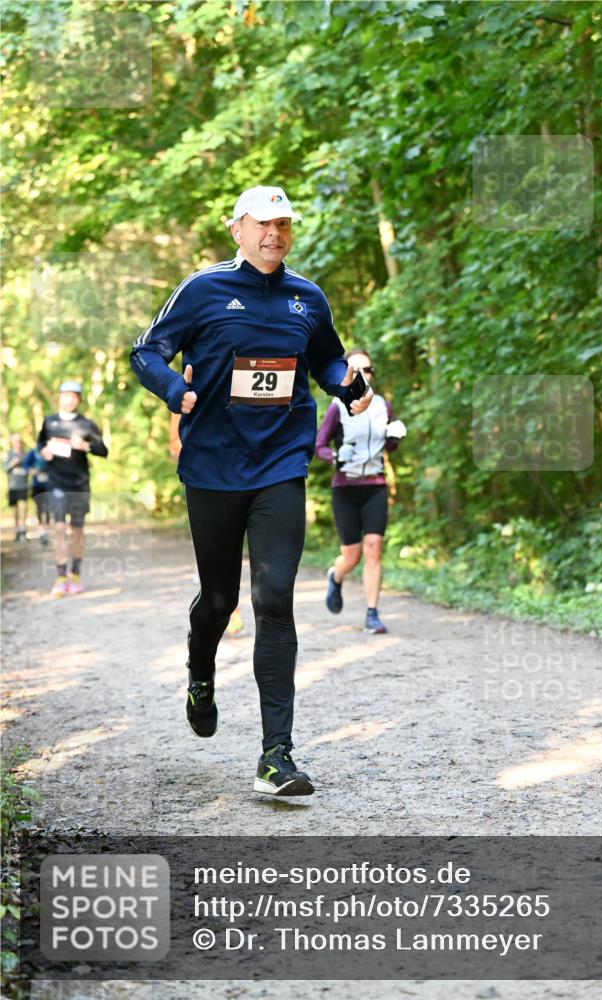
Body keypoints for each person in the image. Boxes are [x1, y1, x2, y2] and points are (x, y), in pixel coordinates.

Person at [130, 184, 372, 796]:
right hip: (212, 467)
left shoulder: (306, 298)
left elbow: (329, 361)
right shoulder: (202, 290)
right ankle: (201, 670)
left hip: (280, 466)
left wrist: (352, 386)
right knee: (220, 600)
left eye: (284, 225)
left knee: (275, 598)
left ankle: (276, 756)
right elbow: (147, 351)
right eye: (264, 224)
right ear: (237, 228)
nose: (275, 234)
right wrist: (171, 390)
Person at [316, 348, 406, 634]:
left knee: (374, 549)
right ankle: (336, 575)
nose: (363, 376)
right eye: (356, 371)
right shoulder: (336, 407)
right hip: (345, 488)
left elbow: (388, 447)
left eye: (368, 370)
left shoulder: (382, 406)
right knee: (351, 556)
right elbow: (318, 446)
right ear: (347, 374)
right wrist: (335, 458)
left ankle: (372, 613)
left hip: (375, 486)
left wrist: (395, 438)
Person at [169, 411, 244, 637]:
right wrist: (201, 457)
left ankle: (240, 606)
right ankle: (224, 607)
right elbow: (174, 443)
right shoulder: (184, 392)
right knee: (216, 552)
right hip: (206, 482)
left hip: (247, 477)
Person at [37, 380, 109, 596]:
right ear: (59, 396)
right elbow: (40, 444)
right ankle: (60, 576)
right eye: (65, 395)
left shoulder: (86, 424)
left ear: (78, 399)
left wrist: (85, 446)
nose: (68, 399)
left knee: (77, 531)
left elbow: (103, 450)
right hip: (55, 482)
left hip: (79, 484)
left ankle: (75, 574)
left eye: (73, 395)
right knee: (58, 528)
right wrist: (44, 452)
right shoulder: (49, 422)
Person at [22, 444, 51, 545]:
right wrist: (31, 471)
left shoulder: (50, 451)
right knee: (39, 509)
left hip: (48, 485)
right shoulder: (33, 452)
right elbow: (25, 464)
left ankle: (46, 532)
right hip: (37, 486)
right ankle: (41, 531)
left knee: (47, 509)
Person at [4, 434, 29, 540]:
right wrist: (12, 463)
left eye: (19, 441)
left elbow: (31, 468)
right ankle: (17, 531)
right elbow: (4, 469)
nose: (17, 443)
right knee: (15, 510)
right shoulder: (8, 454)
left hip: (23, 485)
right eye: (15, 441)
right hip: (13, 486)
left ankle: (23, 530)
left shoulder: (26, 454)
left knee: (23, 508)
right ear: (12, 443)